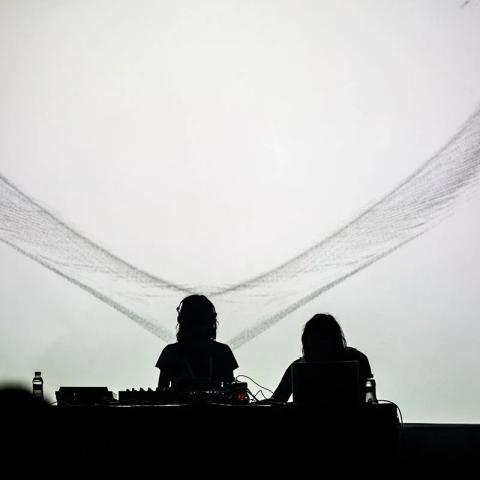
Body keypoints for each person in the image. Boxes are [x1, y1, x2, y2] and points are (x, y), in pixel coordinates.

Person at [271, 313, 373, 402]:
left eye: (323, 339)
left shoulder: (358, 359)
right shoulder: (358, 358)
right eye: (315, 341)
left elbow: (276, 401)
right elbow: (276, 401)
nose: (319, 346)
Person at [156, 294, 239, 390]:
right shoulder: (223, 351)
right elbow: (231, 389)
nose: (197, 327)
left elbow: (161, 391)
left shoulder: (170, 352)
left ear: (181, 320)